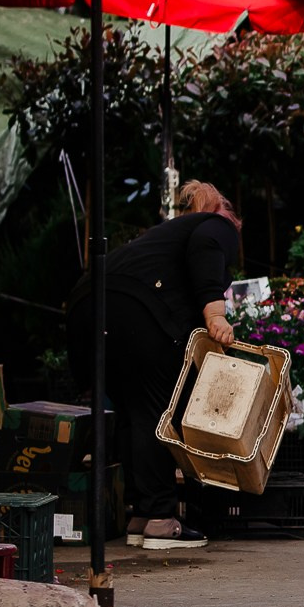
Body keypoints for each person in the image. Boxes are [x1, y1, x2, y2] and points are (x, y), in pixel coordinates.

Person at [79, 181, 241, 550]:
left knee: (132, 413)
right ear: (225, 212)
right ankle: (161, 520)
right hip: (135, 310)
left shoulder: (164, 236)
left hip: (91, 305)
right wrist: (215, 313)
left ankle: (141, 514)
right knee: (156, 412)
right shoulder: (216, 225)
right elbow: (208, 245)